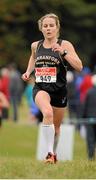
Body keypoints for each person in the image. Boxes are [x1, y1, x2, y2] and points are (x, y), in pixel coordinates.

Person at [22, 13, 83, 164]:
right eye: (45, 26)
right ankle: (49, 153)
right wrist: (28, 71)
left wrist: (64, 53)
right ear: (41, 29)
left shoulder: (65, 44)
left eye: (51, 25)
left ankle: (53, 153)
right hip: (41, 88)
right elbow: (33, 57)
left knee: (56, 129)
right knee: (47, 112)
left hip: (60, 91)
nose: (48, 28)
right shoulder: (36, 45)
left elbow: (79, 66)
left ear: (57, 28)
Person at [82, 74, 96, 160]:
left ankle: (90, 157)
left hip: (90, 119)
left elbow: (85, 106)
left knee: (90, 139)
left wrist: (83, 117)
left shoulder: (89, 92)